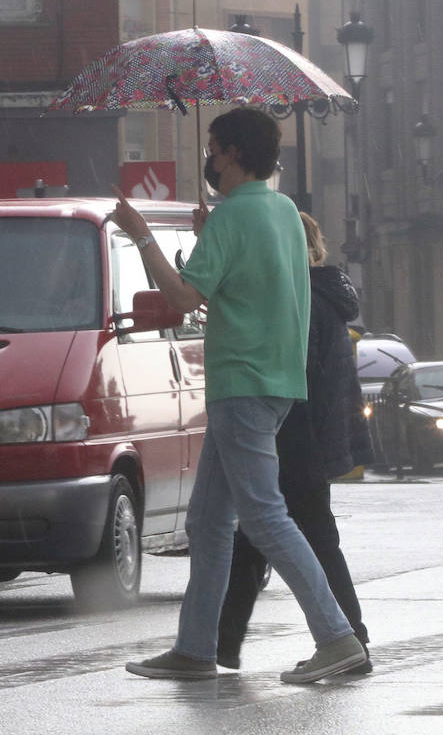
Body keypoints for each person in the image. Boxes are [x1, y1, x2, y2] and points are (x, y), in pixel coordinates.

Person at [111, 106, 368, 683]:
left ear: (229, 153)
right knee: (207, 520)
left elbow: (179, 298)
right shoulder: (280, 213)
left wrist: (142, 236)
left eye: (211, 146)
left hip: (242, 382)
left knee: (264, 516)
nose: (208, 155)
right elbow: (251, 285)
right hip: (276, 382)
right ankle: (196, 647)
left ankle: (336, 636)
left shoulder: (231, 219)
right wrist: (211, 239)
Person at [216, 213, 374, 671]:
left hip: (295, 437)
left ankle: (351, 641)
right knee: (259, 535)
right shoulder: (324, 295)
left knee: (305, 537)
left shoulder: (302, 299)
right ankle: (221, 643)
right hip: (312, 437)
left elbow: (290, 371)